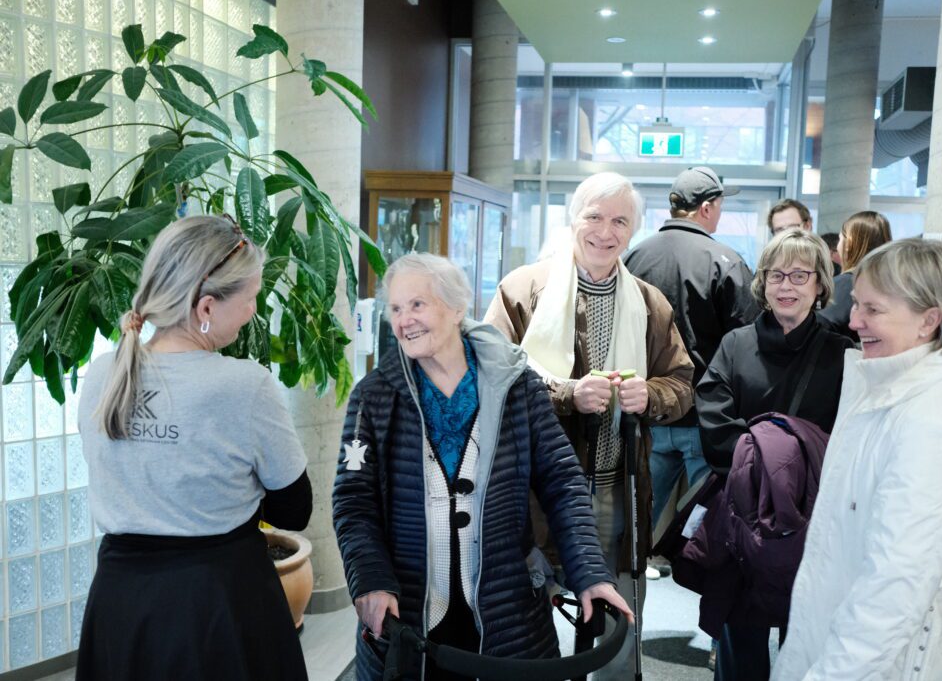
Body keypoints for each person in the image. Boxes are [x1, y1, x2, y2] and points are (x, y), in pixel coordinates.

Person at [334, 253, 631, 681]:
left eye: (418, 305)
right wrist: (371, 580)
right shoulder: (373, 397)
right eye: (396, 309)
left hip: (509, 613)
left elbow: (562, 482)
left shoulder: (518, 385)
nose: (404, 321)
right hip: (408, 618)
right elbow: (353, 501)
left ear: (457, 308)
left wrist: (589, 572)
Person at [76, 216, 312, 681]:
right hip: (219, 607)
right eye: (250, 299)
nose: (252, 311)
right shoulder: (244, 385)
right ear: (206, 306)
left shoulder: (102, 373)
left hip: (121, 605)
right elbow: (295, 509)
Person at [485, 171, 694, 679]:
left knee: (616, 620)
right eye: (594, 217)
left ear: (634, 230)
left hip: (615, 490)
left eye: (620, 220)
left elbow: (683, 383)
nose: (606, 231)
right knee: (526, 615)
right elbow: (486, 376)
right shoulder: (523, 289)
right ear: (572, 220)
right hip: (530, 491)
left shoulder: (648, 302)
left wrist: (652, 395)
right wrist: (564, 393)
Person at [772, 239, 942, 680]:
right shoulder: (884, 387)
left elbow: (895, 586)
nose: (853, 320)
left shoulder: (927, 422)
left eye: (873, 309)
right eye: (856, 305)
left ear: (929, 320)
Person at [696, 228, 853, 681]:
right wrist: (766, 475)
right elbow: (714, 420)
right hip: (744, 515)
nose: (786, 286)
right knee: (738, 636)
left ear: (821, 284)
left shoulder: (843, 353)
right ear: (762, 283)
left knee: (804, 636)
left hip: (812, 519)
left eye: (800, 275)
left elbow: (849, 439)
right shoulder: (735, 345)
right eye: (776, 274)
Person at [623, 166, 758, 531]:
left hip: (644, 411)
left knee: (634, 526)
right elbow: (747, 341)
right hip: (705, 417)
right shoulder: (725, 261)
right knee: (708, 524)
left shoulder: (633, 258)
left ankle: (623, 586)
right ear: (707, 208)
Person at [818, 210, 892, 341]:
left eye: (840, 239)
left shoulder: (845, 284)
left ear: (849, 243)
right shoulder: (892, 283)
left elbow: (820, 330)